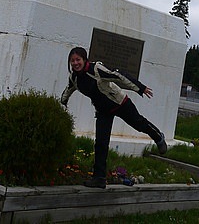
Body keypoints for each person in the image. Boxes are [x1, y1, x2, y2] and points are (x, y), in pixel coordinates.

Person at [61, 46, 167, 189]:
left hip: (120, 103)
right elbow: (69, 89)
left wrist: (140, 87)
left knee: (139, 124)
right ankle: (99, 178)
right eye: (72, 61)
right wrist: (63, 102)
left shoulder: (96, 69)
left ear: (84, 59)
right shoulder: (74, 77)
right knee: (100, 144)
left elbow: (119, 75)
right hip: (103, 111)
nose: (75, 63)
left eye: (78, 59)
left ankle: (158, 136)